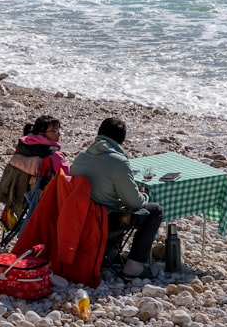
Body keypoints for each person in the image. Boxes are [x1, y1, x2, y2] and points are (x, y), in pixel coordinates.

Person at [70, 117, 163, 279]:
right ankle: (134, 266)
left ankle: (108, 253)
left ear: (99, 134)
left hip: (80, 218)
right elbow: (134, 202)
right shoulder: (118, 162)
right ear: (122, 140)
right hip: (104, 220)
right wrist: (144, 195)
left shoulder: (81, 157)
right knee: (154, 211)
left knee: (113, 200)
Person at [0, 115, 69, 243]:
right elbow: (66, 179)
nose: (59, 134)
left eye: (59, 130)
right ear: (42, 133)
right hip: (41, 198)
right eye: (55, 131)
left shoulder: (22, 148)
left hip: (18, 196)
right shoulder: (53, 155)